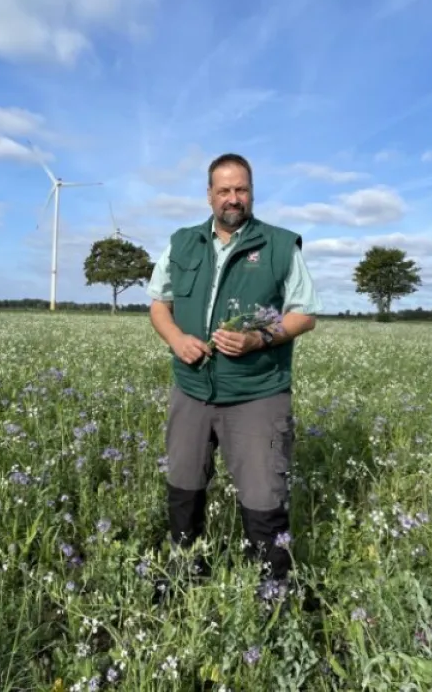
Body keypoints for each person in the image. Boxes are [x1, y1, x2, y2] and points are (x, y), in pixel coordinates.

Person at [145, 152, 321, 601]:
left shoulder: (280, 244)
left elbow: (304, 314)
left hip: (257, 392)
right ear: (209, 195)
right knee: (184, 485)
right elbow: (158, 303)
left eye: (240, 189)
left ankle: (273, 593)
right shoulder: (182, 243)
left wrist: (258, 339)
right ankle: (184, 575)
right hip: (193, 387)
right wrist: (177, 340)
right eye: (223, 190)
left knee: (265, 495)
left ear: (252, 192)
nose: (232, 198)